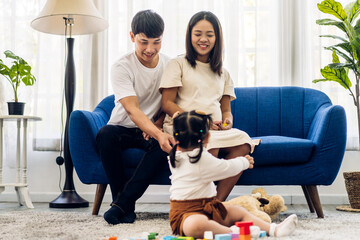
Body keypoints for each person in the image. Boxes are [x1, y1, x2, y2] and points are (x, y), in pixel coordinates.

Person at [160, 11, 259, 201]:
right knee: (207, 140)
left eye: (209, 35)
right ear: (190, 36)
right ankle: (199, 201)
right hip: (184, 127)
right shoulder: (177, 64)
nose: (203, 39)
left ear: (217, 38)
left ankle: (216, 203)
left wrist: (228, 121)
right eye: (198, 34)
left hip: (215, 128)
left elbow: (226, 110)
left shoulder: (223, 72)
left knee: (245, 141)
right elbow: (167, 103)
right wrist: (199, 124)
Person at [96, 10, 175, 225]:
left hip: (149, 129)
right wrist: (158, 133)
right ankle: (124, 204)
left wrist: (157, 127)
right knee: (105, 134)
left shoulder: (170, 65)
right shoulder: (121, 66)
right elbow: (132, 110)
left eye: (156, 42)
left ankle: (121, 205)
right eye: (143, 42)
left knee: (162, 147)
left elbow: (168, 104)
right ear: (132, 37)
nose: (150, 49)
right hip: (123, 128)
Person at [168, 110, 297, 238]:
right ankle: (234, 233)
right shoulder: (200, 159)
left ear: (176, 137)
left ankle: (274, 229)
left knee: (236, 211)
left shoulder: (176, 155)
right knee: (196, 225)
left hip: (209, 208)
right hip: (186, 214)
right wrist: (244, 162)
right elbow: (226, 168)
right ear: (207, 137)